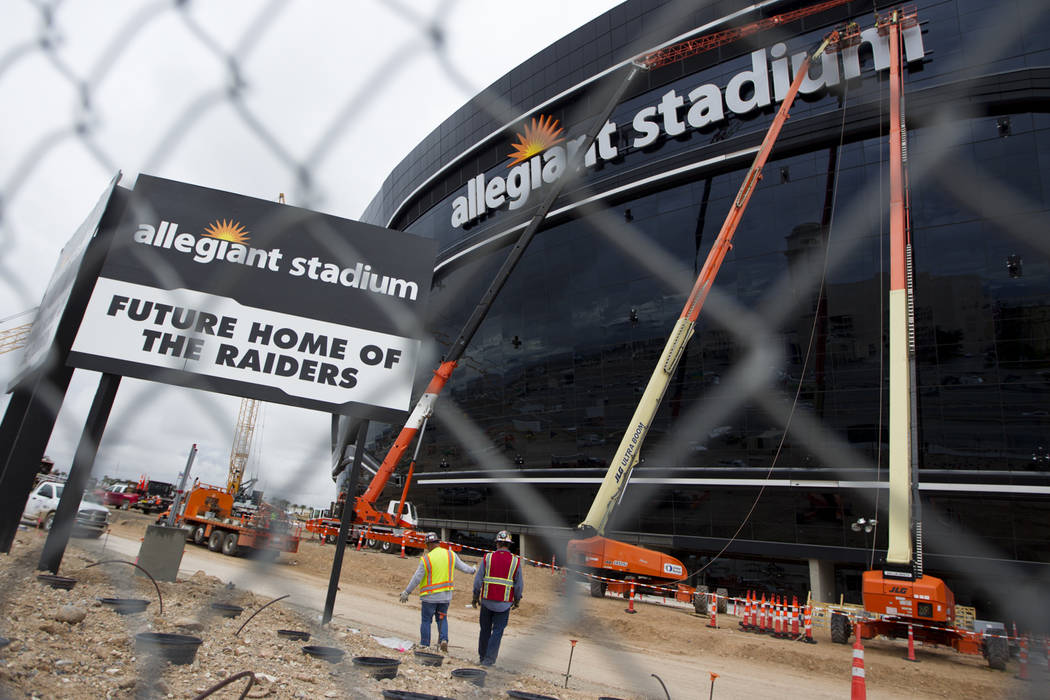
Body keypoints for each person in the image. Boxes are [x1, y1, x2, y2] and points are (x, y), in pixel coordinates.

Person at [399, 532, 476, 652]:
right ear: (438, 543)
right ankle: (443, 640)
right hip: (445, 596)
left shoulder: (426, 559)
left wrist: (407, 592)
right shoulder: (450, 555)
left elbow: (417, 578)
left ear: (429, 545)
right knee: (442, 618)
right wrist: (473, 570)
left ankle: (425, 645)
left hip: (429, 597)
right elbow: (464, 568)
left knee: (426, 620)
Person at [472, 530, 523, 666]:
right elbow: (518, 585)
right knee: (498, 632)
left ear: (497, 543)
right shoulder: (515, 561)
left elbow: (478, 580)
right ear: (509, 544)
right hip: (504, 604)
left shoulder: (487, 558)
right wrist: (517, 600)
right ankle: (489, 660)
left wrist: (475, 596)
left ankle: (482, 657)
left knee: (485, 630)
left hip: (487, 601)